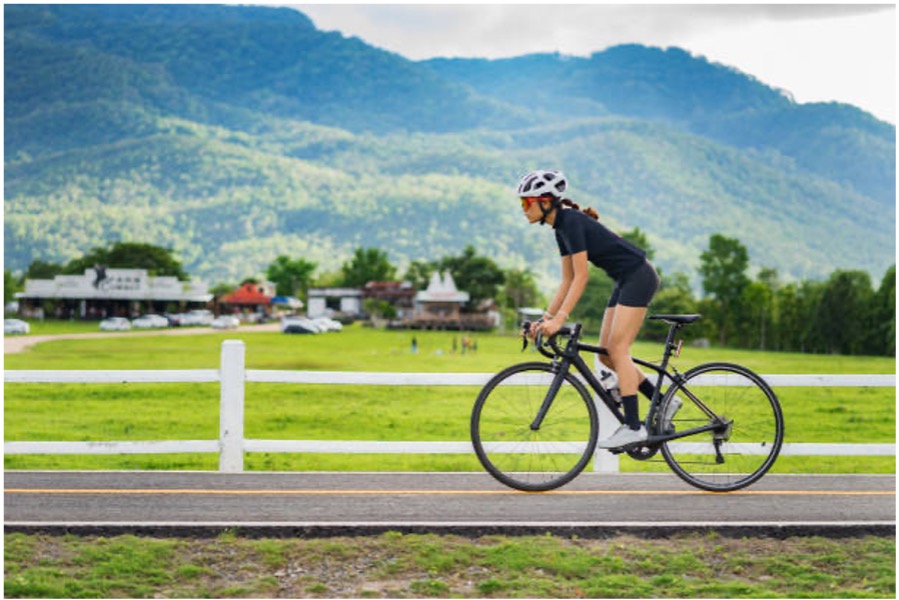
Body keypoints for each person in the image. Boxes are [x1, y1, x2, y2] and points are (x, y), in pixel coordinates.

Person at [519, 169, 660, 449]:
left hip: (639, 276)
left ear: (545, 201)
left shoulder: (571, 222)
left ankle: (634, 427)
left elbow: (582, 277)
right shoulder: (561, 229)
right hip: (624, 279)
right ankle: (665, 401)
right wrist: (544, 319)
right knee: (608, 355)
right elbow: (567, 280)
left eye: (526, 203)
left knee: (619, 349)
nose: (523, 210)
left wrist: (560, 320)